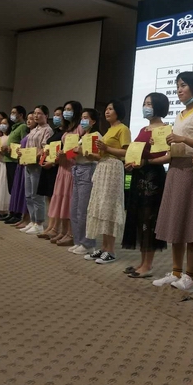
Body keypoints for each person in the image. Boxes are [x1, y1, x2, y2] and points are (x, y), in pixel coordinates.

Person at [152, 72, 193, 292]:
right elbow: (176, 146)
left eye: (184, 85)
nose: (179, 90)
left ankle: (190, 276)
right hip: (174, 169)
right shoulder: (180, 114)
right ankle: (176, 271)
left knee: (190, 224)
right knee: (175, 221)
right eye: (177, 85)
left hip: (190, 170)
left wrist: (182, 139)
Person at [122, 93, 169, 278]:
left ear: (159, 106)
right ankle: (142, 262)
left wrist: (147, 162)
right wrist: (130, 162)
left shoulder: (165, 129)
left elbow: (168, 156)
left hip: (153, 176)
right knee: (139, 218)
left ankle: (148, 265)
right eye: (144, 103)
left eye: (149, 104)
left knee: (149, 219)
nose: (145, 107)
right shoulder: (143, 128)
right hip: (138, 175)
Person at [84, 100, 131, 264]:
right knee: (101, 206)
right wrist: (92, 156)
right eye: (106, 109)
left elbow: (126, 152)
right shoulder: (109, 130)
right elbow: (103, 154)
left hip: (113, 169)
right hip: (103, 167)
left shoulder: (123, 129)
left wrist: (106, 148)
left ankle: (111, 250)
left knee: (109, 207)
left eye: (110, 109)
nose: (107, 111)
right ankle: (103, 248)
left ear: (118, 111)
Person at [48, 101, 85, 247]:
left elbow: (81, 149)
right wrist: (59, 156)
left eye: (69, 109)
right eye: (65, 109)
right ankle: (63, 231)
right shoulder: (68, 129)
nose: (65, 112)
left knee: (70, 201)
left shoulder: (80, 128)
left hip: (72, 167)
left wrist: (66, 154)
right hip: (63, 167)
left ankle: (71, 233)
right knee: (61, 199)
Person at [68, 108, 101, 255]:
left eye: (86, 118)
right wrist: (67, 152)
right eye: (82, 118)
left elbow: (96, 156)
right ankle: (78, 241)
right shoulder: (82, 136)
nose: (83, 120)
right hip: (77, 169)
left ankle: (88, 244)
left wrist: (81, 151)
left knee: (83, 210)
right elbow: (75, 154)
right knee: (74, 209)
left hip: (88, 169)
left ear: (93, 121)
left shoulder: (96, 136)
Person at [20, 105, 53, 235]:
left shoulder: (47, 130)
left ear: (46, 115)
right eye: (35, 113)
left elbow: (45, 148)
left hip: (37, 165)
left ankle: (39, 223)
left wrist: (35, 155)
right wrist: (22, 153)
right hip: (28, 164)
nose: (36, 116)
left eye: (39, 113)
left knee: (37, 196)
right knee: (28, 195)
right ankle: (32, 221)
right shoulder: (34, 130)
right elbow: (28, 146)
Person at [36, 107, 65, 238]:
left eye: (59, 115)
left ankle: (55, 227)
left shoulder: (65, 134)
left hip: (56, 167)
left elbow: (65, 153)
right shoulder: (55, 131)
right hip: (47, 166)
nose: (56, 117)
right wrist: (44, 156)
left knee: (55, 198)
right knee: (49, 197)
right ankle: (50, 226)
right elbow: (48, 147)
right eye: (55, 115)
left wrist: (52, 163)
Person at [6, 112, 36, 226]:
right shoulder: (29, 133)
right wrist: (18, 151)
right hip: (21, 162)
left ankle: (28, 219)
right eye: (28, 118)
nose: (29, 121)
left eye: (31, 119)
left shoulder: (34, 134)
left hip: (28, 163)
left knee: (26, 193)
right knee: (19, 190)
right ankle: (22, 217)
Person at [0, 106, 28, 222]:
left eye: (13, 113)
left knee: (15, 188)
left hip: (15, 161)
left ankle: (17, 214)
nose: (11, 115)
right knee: (11, 188)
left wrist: (13, 149)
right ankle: (12, 211)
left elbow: (24, 143)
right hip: (8, 159)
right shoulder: (14, 127)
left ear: (21, 115)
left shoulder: (23, 127)